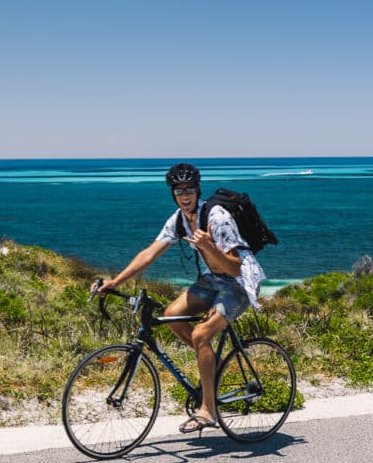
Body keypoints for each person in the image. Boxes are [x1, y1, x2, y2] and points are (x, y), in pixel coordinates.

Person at [97, 162, 266, 433]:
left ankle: (208, 411)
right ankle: (212, 367)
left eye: (189, 190)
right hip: (212, 280)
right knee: (171, 316)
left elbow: (234, 267)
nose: (185, 195)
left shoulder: (217, 217)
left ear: (198, 190)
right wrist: (114, 281)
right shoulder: (178, 219)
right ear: (173, 194)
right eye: (179, 191)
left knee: (201, 335)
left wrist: (209, 246)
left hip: (238, 283)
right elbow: (149, 253)